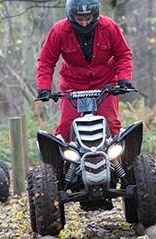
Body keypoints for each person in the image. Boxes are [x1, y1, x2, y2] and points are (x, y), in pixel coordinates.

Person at [36, 0, 134, 141]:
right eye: (79, 19)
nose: (84, 23)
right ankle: (60, 162)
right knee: (65, 127)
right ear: (71, 16)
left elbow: (123, 54)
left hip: (104, 83)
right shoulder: (59, 30)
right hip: (72, 85)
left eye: (88, 19)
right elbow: (46, 61)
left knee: (112, 125)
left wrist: (124, 80)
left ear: (95, 15)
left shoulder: (109, 27)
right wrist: (44, 88)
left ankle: (118, 161)